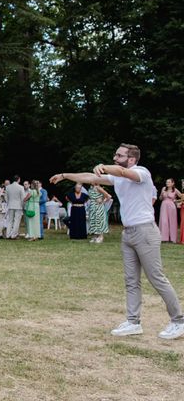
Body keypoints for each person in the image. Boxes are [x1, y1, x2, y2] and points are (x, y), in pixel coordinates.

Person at [50, 143, 184, 340]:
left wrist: (104, 166)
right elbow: (90, 177)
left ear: (131, 159)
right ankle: (133, 322)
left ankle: (179, 321)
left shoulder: (141, 172)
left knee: (156, 277)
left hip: (145, 231)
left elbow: (120, 170)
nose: (115, 157)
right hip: (128, 233)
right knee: (131, 280)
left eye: (119, 155)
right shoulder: (117, 177)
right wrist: (64, 175)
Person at [158, 178, 180, 243]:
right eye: (167, 182)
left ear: (173, 183)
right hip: (164, 205)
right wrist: (162, 194)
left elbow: (182, 196)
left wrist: (176, 201)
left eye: (169, 182)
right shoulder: (163, 188)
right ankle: (164, 238)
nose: (167, 183)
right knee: (164, 221)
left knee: (172, 221)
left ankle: (172, 238)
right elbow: (160, 198)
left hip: (172, 206)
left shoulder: (175, 190)